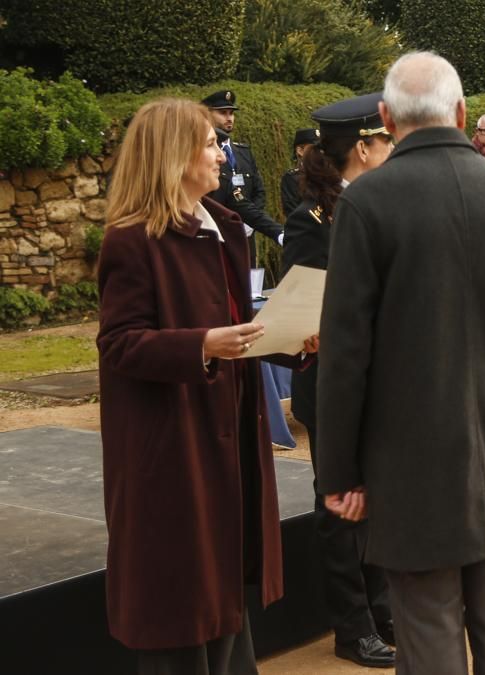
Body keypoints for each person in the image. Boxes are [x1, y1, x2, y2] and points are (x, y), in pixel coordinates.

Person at [316, 52, 485, 674]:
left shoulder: (368, 203)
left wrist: (337, 470)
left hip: (406, 457)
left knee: (426, 622)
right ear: (463, 113)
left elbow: (345, 353)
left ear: (387, 118)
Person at [96, 98, 316, 674]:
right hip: (174, 446)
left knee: (223, 590)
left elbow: (240, 323)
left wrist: (292, 341)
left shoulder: (224, 228)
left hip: (231, 434)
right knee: (181, 599)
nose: (221, 153)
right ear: (172, 156)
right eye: (207, 143)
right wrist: (202, 345)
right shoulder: (132, 240)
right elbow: (118, 343)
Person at [281, 93, 396, 668]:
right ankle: (351, 627)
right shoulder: (312, 219)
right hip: (329, 381)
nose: (393, 149)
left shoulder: (376, 206)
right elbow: (302, 301)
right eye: (385, 140)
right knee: (338, 504)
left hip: (374, 379)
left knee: (375, 497)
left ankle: (383, 608)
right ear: (362, 148)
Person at [202, 90, 285, 265]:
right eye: (222, 113)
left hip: (244, 235)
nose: (222, 157)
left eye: (231, 113)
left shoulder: (243, 152)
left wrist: (277, 232)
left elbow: (247, 197)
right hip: (214, 239)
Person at [280, 127, 319, 219]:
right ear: (300, 151)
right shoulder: (292, 178)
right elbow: (292, 211)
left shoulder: (329, 174)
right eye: (314, 148)